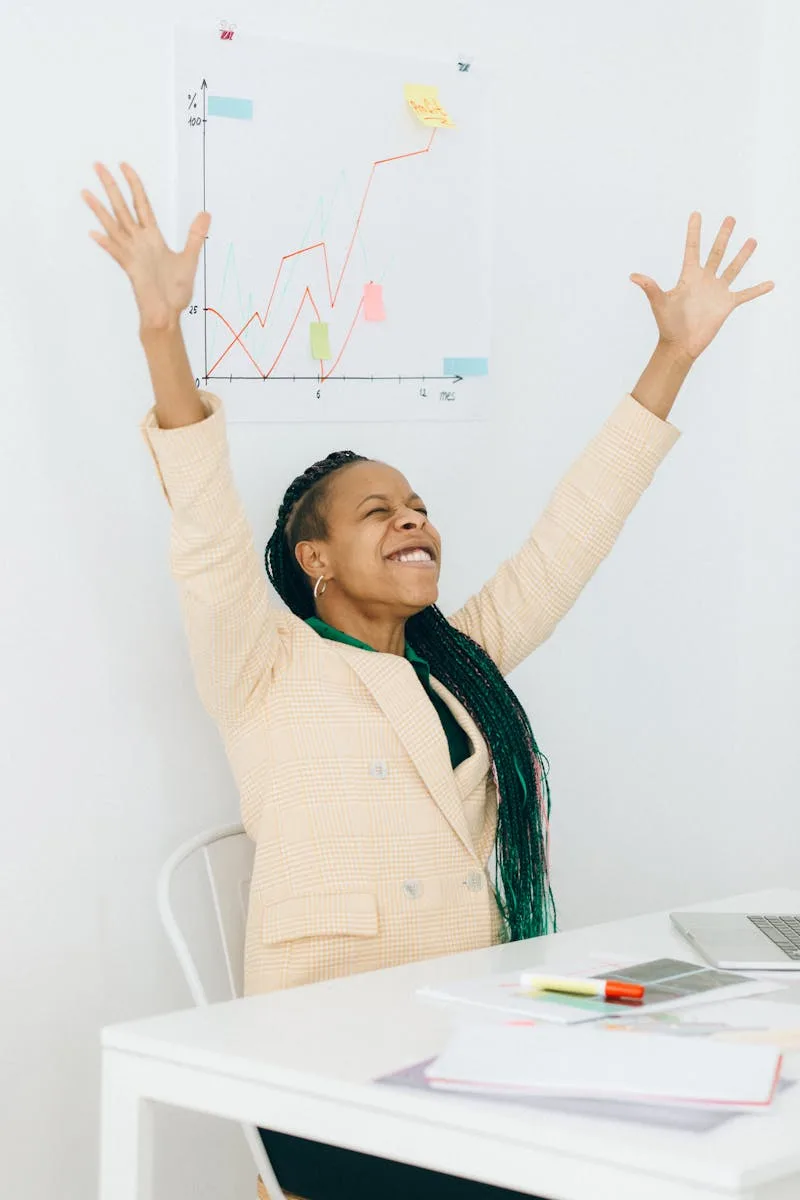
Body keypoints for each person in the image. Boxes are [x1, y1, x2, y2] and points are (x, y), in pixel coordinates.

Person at [82, 162, 773, 1200]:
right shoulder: (262, 662)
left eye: (414, 504)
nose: (412, 519)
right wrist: (160, 334)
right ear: (313, 561)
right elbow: (206, 528)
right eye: (375, 512)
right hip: (321, 1070)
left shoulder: (460, 664)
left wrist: (671, 354)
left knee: (668, 1148)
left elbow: (572, 532)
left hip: (471, 1040)